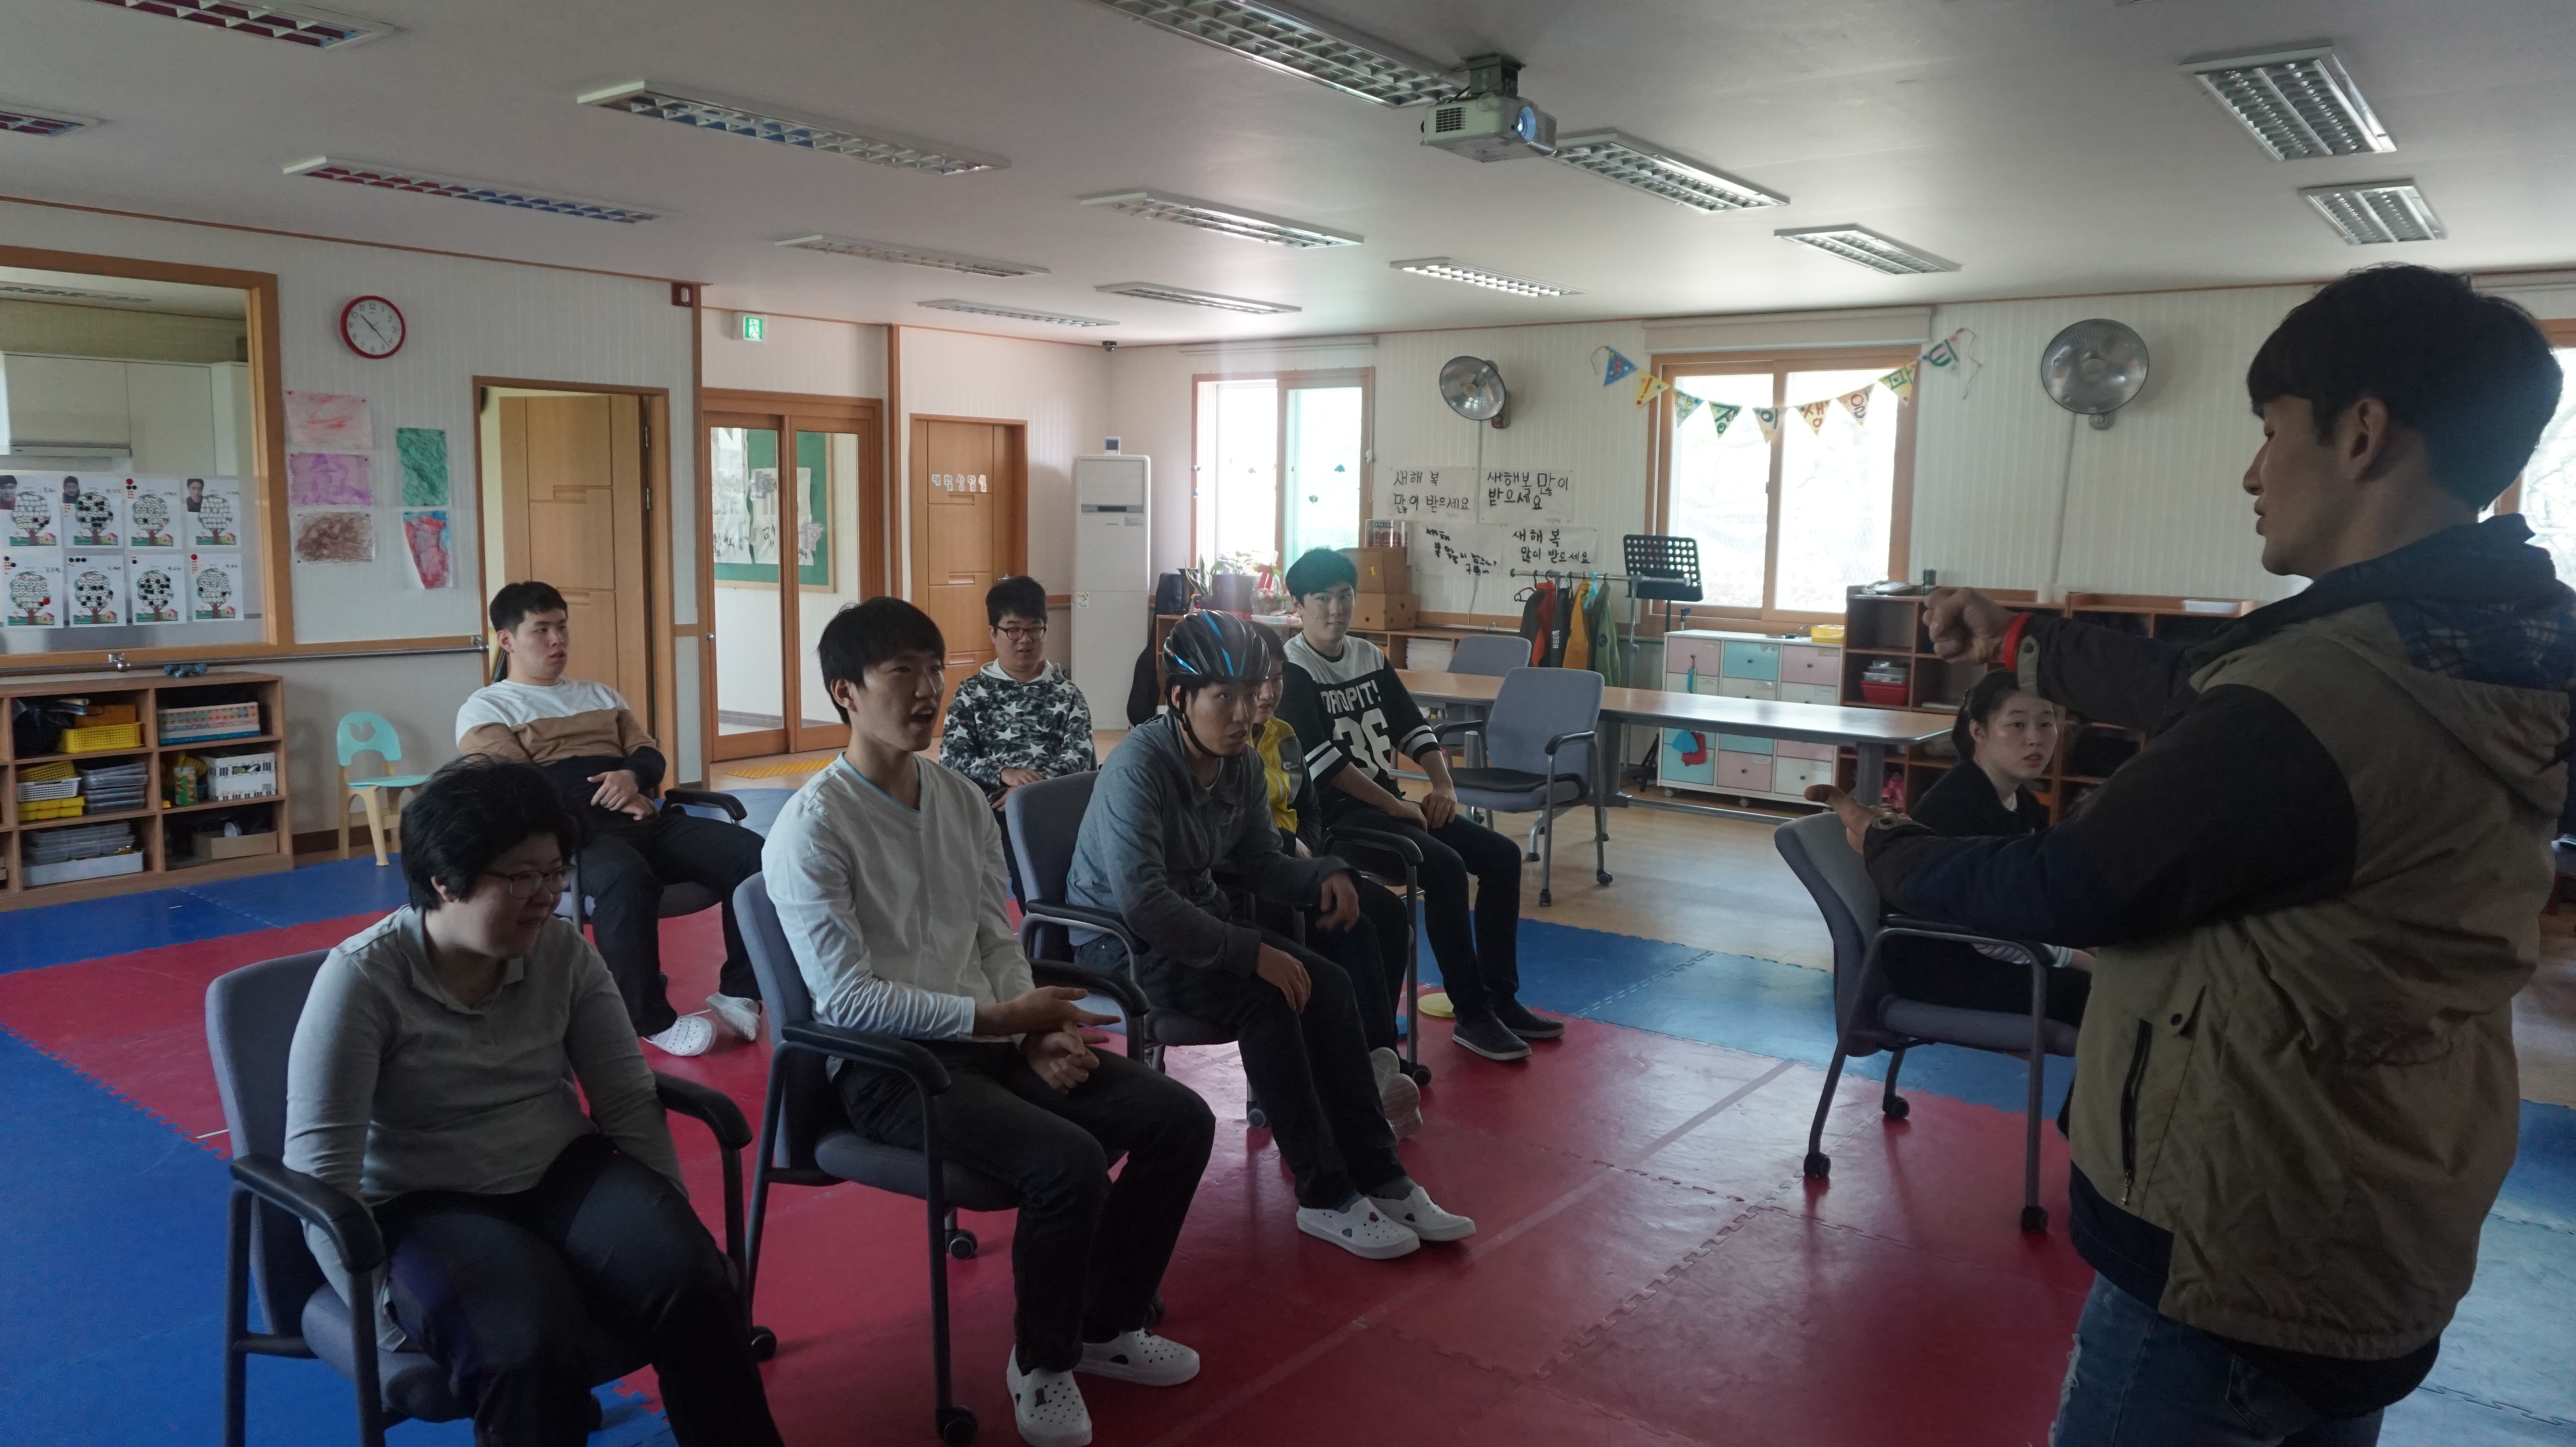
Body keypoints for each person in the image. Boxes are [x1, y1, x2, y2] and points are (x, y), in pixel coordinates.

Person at [1810, 264, 2573, 1447]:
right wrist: (2019, 639)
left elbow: (2064, 883)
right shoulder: (2492, 643)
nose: (2253, 472)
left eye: (2271, 430)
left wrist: (1889, 845)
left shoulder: (2326, 696)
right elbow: (2208, 690)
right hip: (2388, 1194)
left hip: (2237, 1231)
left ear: (2362, 432)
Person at [763, 596, 1214, 1447]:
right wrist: (1001, 1017)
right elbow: (847, 1000)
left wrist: (1034, 1029)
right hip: (893, 1069)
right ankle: (1042, 1363)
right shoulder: (813, 827)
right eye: (901, 671)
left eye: (935, 669)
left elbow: (994, 934)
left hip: (990, 1036)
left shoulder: (958, 798)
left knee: (1177, 1118)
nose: (927, 689)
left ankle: (1105, 1323)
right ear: (846, 691)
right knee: (1067, 1162)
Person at [283, 757, 782, 1447]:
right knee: (525, 1345)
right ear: (445, 880)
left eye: (554, 874)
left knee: (696, 1282)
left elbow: (627, 1100)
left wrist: (662, 1223)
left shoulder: (562, 953)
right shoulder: (362, 981)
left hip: (564, 1175)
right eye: (520, 878)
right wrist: (382, 1312)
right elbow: (321, 1171)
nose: (547, 897)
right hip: (428, 1202)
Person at [1067, 608, 1473, 1261]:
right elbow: (1144, 904)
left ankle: (1382, 1175)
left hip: (1198, 924)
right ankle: (1325, 1195)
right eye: (1223, 698)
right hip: (1118, 946)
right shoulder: (1139, 768)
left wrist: (1323, 874)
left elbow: (1260, 862)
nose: (1242, 715)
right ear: (1180, 697)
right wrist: (1250, 951)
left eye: (1249, 695)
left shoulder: (1241, 763)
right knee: (1270, 1001)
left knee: (1329, 984)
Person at [456, 581, 766, 1057]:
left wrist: (632, 777)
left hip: (645, 821)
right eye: (542, 630)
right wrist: (618, 795)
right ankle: (647, 1018)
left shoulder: (601, 695)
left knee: (752, 854)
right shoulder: (486, 708)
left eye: (562, 627)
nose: (557, 640)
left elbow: (648, 754)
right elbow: (518, 787)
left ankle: (740, 989)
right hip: (569, 834)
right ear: (507, 640)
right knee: (623, 875)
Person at [1275, 547, 1561, 1063]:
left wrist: (1442, 785)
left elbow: (1412, 726)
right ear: (1298, 605)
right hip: (1337, 822)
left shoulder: (1368, 656)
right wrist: (1396, 806)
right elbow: (1326, 764)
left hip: (1388, 807)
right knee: (1445, 868)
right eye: (1322, 599)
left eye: (1345, 596)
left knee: (1501, 856)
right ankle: (1472, 1014)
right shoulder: (1292, 669)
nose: (1336, 609)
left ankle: (1500, 998)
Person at [1246, 623, 1430, 1120]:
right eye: (1258, 681)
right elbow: (1241, 827)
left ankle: (1378, 1057)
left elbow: (1308, 805)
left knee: (1387, 914)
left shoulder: (1284, 736)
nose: (1269, 693)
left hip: (1300, 863)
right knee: (1349, 927)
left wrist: (1306, 845)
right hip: (1259, 876)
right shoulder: (1228, 742)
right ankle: (1360, 1071)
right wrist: (1292, 851)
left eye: (1278, 679)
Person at [1878, 668, 2092, 1030]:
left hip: (1995, 949)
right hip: (1943, 967)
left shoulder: (2024, 803)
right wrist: (2077, 958)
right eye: (2017, 724)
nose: (2035, 739)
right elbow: (1988, 933)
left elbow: (2033, 899)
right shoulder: (1958, 807)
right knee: (2106, 999)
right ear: (1979, 732)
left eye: (2046, 724)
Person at [939, 575, 1098, 810]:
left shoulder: (1068, 694)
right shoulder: (971, 693)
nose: (1025, 640)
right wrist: (1004, 773)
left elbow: (1080, 757)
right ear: (993, 633)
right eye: (1013, 630)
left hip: (1051, 803)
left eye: (1034, 629)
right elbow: (952, 757)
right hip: (988, 809)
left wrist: (1030, 790)